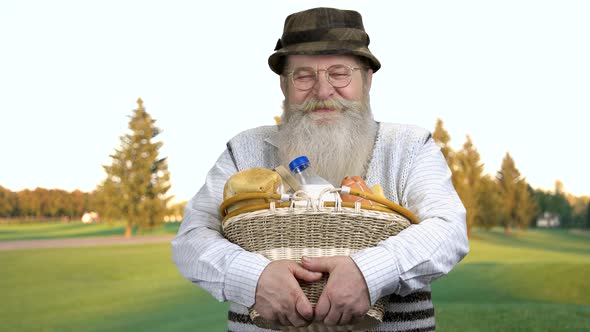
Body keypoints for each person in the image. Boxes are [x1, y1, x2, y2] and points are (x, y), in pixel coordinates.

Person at [172, 7, 469, 332]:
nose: (323, 90)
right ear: (284, 85)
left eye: (340, 73)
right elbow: (191, 240)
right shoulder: (245, 150)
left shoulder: (409, 146)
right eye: (304, 75)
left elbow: (449, 229)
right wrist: (253, 278)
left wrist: (369, 273)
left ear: (367, 80)